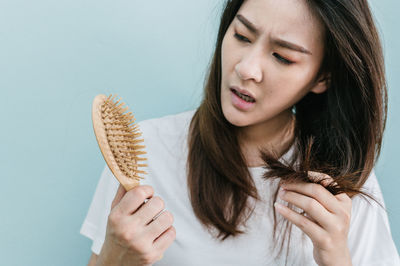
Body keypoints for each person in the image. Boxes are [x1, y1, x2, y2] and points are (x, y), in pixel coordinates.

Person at [80, 0, 400, 265]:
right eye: (243, 36)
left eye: (282, 57)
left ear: (323, 77)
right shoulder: (142, 155)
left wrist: (336, 257)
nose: (247, 68)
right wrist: (113, 257)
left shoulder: (342, 184)